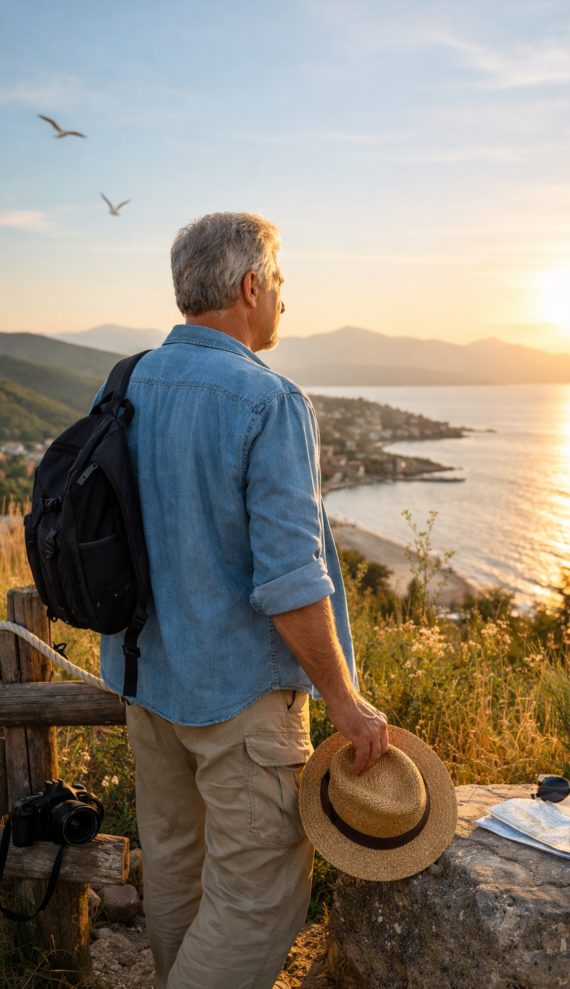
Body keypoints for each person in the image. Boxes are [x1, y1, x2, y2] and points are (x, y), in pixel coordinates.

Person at [97, 212, 388, 989]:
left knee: (175, 869)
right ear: (250, 285)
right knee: (259, 894)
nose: (285, 301)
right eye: (281, 283)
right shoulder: (269, 401)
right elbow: (291, 584)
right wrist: (345, 703)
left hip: (146, 678)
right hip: (238, 699)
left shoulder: (128, 379)